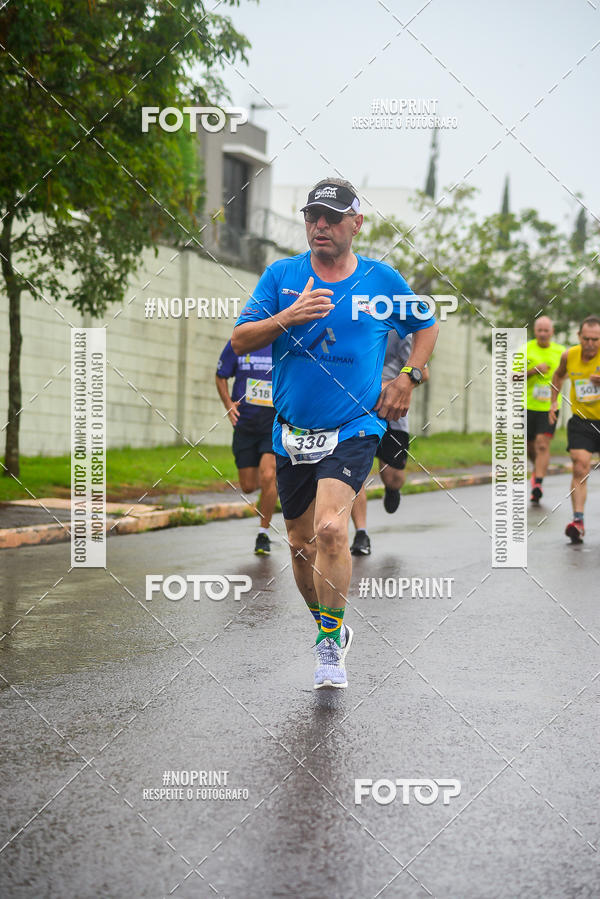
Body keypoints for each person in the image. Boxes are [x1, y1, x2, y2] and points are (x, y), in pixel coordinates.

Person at [231, 177, 438, 689]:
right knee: (300, 546)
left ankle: (328, 646)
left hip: (354, 426)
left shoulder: (381, 279)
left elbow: (427, 322)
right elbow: (239, 341)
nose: (319, 226)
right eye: (312, 217)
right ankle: (330, 626)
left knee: (331, 530)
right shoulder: (282, 276)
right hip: (291, 432)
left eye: (331, 217)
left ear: (356, 223)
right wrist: (289, 315)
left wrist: (408, 376)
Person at [350, 332, 429, 555]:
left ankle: (392, 489)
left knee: (393, 477)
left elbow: (424, 372)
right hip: (356, 413)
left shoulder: (402, 332)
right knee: (355, 474)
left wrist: (391, 385)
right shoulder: (352, 322)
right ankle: (361, 533)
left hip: (392, 413)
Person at [215, 340, 277, 554]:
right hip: (245, 425)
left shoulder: (283, 340)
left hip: (273, 425)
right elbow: (220, 375)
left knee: (269, 475)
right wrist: (228, 404)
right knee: (248, 486)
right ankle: (273, 488)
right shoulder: (241, 340)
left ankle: (263, 533)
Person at [549, 315, 600, 543]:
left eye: (595, 339)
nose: (590, 344)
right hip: (581, 421)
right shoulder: (569, 355)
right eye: (586, 338)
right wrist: (553, 402)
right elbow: (558, 376)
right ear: (579, 336)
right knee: (580, 467)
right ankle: (577, 521)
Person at [523, 316, 565, 504]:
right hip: (527, 405)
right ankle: (537, 471)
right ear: (535, 331)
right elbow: (511, 377)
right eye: (539, 330)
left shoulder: (561, 352)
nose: (542, 334)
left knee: (542, 443)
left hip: (550, 406)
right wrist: (533, 371)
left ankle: (537, 484)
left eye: (546, 330)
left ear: (552, 332)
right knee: (530, 446)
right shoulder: (526, 349)